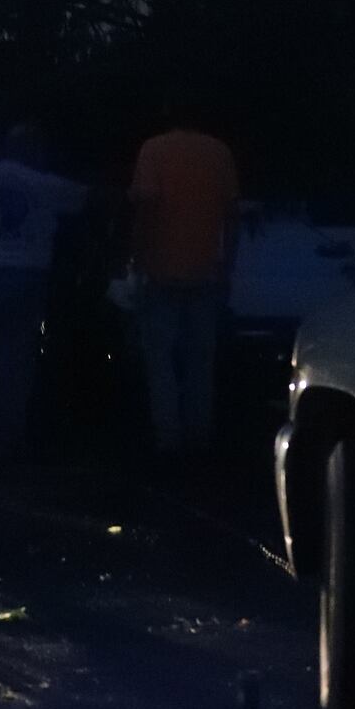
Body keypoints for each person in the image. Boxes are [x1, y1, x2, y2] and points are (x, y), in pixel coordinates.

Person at [0, 93, 90, 462]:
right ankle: (6, 442)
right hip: (26, 278)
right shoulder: (47, 185)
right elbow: (91, 198)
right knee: (16, 363)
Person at [129, 103, 239, 454]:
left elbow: (146, 205)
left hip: (161, 270)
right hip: (205, 270)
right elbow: (232, 213)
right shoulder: (219, 152)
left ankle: (168, 437)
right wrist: (227, 264)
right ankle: (198, 437)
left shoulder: (154, 149)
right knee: (200, 361)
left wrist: (138, 257)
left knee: (160, 359)